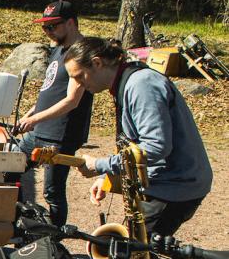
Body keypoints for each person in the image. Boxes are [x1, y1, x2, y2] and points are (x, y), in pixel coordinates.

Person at [65, 37, 214, 237]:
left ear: (97, 63)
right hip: (166, 183)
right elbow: (134, 144)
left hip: (175, 186)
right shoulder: (127, 83)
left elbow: (156, 147)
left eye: (79, 76)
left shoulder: (141, 85)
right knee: (134, 258)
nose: (77, 84)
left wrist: (100, 165)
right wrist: (108, 177)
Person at [14, 0, 93, 227]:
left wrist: (35, 118)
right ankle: (23, 223)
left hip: (59, 136)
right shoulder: (57, 50)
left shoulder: (81, 54)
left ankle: (55, 237)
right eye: (44, 27)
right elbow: (50, 90)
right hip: (39, 130)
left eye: (52, 26)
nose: (48, 31)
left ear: (70, 23)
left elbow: (71, 101)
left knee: (52, 191)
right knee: (10, 169)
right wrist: (30, 114)